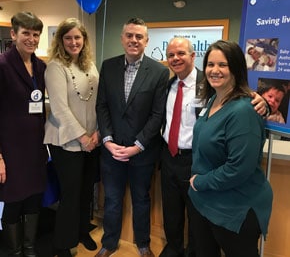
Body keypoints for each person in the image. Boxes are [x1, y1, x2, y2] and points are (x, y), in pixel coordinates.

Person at [159, 37, 270, 257]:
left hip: (234, 207)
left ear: (236, 68)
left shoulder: (245, 110)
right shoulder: (213, 99)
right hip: (205, 198)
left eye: (222, 65)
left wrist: (199, 182)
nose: (215, 70)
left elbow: (239, 167)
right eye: (210, 64)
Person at [95, 17, 169, 257]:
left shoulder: (159, 72)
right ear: (122, 38)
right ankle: (109, 243)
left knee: (141, 200)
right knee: (113, 200)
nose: (133, 40)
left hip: (143, 153)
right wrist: (107, 140)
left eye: (139, 37)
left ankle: (143, 244)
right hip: (112, 151)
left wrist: (137, 145)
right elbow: (102, 106)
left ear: (146, 41)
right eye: (129, 35)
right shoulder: (108, 66)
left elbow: (158, 115)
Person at [44, 18, 100, 257]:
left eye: (78, 37)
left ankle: (81, 231)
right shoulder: (55, 67)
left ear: (84, 40)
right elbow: (59, 108)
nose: (74, 42)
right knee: (71, 194)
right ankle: (62, 243)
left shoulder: (90, 64)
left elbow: (97, 102)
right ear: (61, 40)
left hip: (92, 140)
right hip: (66, 142)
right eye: (68, 38)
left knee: (87, 191)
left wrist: (96, 133)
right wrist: (83, 137)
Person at [0, 11, 47, 257]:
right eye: (26, 33)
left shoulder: (40, 67)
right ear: (13, 34)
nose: (31, 38)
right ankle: (15, 251)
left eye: (35, 34)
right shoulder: (3, 65)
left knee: (33, 197)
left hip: (35, 148)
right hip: (10, 149)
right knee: (13, 199)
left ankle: (29, 248)